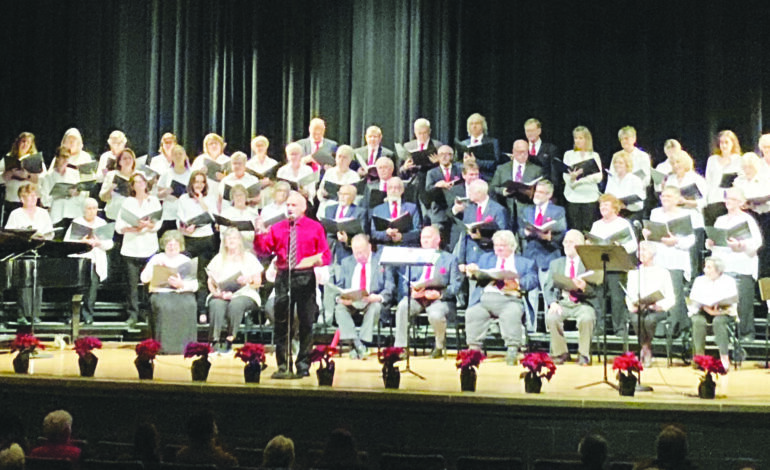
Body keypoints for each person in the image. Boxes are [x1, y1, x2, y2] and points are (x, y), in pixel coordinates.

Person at [254, 191, 331, 378]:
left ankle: (303, 365)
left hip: (305, 276)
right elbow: (264, 250)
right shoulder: (278, 227)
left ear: (303, 208)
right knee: (281, 323)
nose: (289, 208)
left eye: (294, 205)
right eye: (287, 205)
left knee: (306, 323)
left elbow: (326, 255)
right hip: (284, 276)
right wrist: (259, 234)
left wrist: (315, 261)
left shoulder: (315, 227)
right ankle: (283, 365)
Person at [465, 230, 538, 365]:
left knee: (512, 313)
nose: (498, 248)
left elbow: (533, 280)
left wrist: (517, 283)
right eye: (496, 245)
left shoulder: (525, 263)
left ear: (512, 246)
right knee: (473, 313)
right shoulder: (486, 259)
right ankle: (474, 349)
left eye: (502, 246)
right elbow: (478, 274)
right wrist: (472, 272)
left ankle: (512, 349)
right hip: (486, 298)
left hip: (510, 299)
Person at [393, 226, 461, 357]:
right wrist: (410, 291)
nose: (425, 241)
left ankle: (439, 346)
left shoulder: (450, 259)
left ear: (438, 239)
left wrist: (440, 294)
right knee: (402, 307)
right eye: (423, 238)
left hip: (438, 298)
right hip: (418, 296)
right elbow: (404, 281)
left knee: (435, 314)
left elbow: (456, 285)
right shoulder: (414, 257)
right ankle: (401, 347)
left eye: (428, 237)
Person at [706, 187, 762, 340]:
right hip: (724, 268)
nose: (728, 202)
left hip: (741, 267)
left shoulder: (747, 220)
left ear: (741, 202)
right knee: (725, 304)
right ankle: (726, 335)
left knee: (743, 304)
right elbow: (716, 243)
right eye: (727, 199)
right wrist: (711, 243)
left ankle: (746, 334)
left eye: (732, 199)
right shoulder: (720, 220)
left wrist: (741, 245)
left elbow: (757, 243)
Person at [645, 186, 696, 337]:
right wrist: (647, 234)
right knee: (661, 293)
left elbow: (690, 240)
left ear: (677, 199)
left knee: (674, 293)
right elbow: (652, 234)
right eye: (663, 196)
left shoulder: (685, 214)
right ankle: (662, 328)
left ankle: (674, 328)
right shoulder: (655, 213)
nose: (665, 199)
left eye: (669, 197)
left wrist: (676, 241)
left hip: (676, 258)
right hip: (659, 257)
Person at [517, 179, 567, 331]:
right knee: (530, 294)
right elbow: (519, 230)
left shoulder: (558, 211)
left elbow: (562, 231)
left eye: (540, 192)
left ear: (549, 194)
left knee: (548, 294)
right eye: (536, 192)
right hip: (530, 257)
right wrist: (525, 232)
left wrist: (549, 237)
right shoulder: (527, 210)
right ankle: (531, 328)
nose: (536, 195)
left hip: (548, 255)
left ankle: (549, 327)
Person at [332, 234, 393, 359]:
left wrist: (378, 297)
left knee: (375, 307)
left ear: (370, 247)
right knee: (339, 309)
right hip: (352, 301)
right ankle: (357, 343)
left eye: (362, 252)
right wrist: (341, 298)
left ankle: (361, 344)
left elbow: (390, 287)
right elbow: (339, 288)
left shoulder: (382, 262)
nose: (359, 256)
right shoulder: (346, 263)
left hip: (371, 300)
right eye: (356, 253)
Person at [115, 173, 162, 327]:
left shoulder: (153, 201)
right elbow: (118, 226)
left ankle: (148, 313)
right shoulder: (127, 202)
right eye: (136, 182)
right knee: (131, 285)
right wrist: (133, 227)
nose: (139, 184)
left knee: (150, 284)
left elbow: (158, 224)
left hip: (149, 248)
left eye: (142, 181)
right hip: (131, 248)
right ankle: (132, 314)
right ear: (132, 185)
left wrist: (148, 226)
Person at [140, 230, 198, 354]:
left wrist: (181, 284)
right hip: (161, 292)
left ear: (180, 246)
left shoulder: (185, 260)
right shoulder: (157, 258)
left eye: (175, 244)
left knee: (190, 304)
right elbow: (143, 278)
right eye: (169, 244)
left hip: (180, 291)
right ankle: (164, 347)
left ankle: (186, 347)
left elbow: (195, 284)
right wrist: (155, 269)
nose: (172, 247)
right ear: (164, 246)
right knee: (164, 306)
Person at [543, 230, 596, 366]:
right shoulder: (556, 264)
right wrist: (553, 303)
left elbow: (597, 290)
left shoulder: (588, 263)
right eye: (565, 242)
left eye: (570, 242)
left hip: (582, 303)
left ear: (579, 245)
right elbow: (548, 288)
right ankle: (561, 353)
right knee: (552, 317)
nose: (566, 245)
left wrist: (584, 287)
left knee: (587, 318)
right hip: (562, 301)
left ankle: (584, 354)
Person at [207, 227, 263, 353]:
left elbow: (258, 282)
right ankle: (214, 341)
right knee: (216, 304)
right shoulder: (218, 258)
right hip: (222, 293)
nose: (231, 241)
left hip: (245, 293)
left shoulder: (249, 258)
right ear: (224, 242)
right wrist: (217, 293)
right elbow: (210, 281)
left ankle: (230, 339)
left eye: (235, 238)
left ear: (240, 241)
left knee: (236, 304)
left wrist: (248, 280)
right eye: (229, 238)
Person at [588, 194, 637, 338]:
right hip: (600, 265)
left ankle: (619, 328)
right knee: (599, 297)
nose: (602, 208)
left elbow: (632, 245)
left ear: (615, 208)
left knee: (617, 297)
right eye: (601, 205)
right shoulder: (597, 225)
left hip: (617, 264)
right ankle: (600, 327)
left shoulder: (622, 224)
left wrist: (619, 246)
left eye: (606, 205)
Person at [5, 183, 54, 325]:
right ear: (22, 198)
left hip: (39, 252)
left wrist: (42, 237)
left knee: (38, 285)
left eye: (34, 196)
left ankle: (35, 314)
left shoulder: (43, 213)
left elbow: (50, 233)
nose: (32, 199)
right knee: (23, 285)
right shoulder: (16, 214)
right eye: (28, 196)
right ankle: (22, 314)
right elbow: (9, 234)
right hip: (22, 253)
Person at [625, 241, 676, 367]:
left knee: (649, 320)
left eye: (644, 250)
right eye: (639, 250)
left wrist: (660, 306)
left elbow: (671, 296)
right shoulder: (633, 273)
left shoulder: (663, 272)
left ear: (653, 253)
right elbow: (629, 294)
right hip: (640, 308)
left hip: (657, 309)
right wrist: (632, 305)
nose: (641, 253)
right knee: (636, 320)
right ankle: (646, 348)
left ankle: (646, 348)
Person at [64, 198, 114, 324]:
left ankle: (87, 314)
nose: (91, 211)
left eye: (94, 208)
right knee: (77, 289)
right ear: (84, 209)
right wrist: (81, 242)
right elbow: (67, 242)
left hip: (96, 261)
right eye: (89, 208)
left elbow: (109, 244)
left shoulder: (102, 223)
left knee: (92, 290)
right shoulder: (77, 222)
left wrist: (98, 243)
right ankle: (73, 315)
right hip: (79, 261)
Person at [178, 170, 218, 319]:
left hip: (206, 238)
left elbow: (213, 216)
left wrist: (202, 201)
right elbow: (180, 217)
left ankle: (202, 310)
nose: (199, 185)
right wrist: (185, 227)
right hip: (190, 238)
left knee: (203, 275)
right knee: (186, 273)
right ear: (191, 183)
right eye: (196, 182)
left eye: (202, 182)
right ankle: (186, 309)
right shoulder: (183, 198)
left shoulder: (210, 198)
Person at [688, 257, 738, 372]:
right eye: (705, 267)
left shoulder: (729, 281)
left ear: (718, 269)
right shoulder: (699, 281)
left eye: (709, 267)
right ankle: (699, 358)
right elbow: (694, 299)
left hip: (723, 312)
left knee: (719, 322)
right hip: (703, 310)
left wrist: (719, 310)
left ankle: (724, 357)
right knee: (698, 322)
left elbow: (733, 301)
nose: (705, 270)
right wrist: (707, 309)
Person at [456, 179, 509, 270]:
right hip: (470, 259)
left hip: (489, 257)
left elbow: (502, 237)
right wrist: (460, 261)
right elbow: (463, 236)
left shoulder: (498, 210)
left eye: (471, 191)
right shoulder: (469, 209)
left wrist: (481, 238)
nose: (468, 194)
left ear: (480, 193)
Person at [490, 139, 543, 229]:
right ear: (513, 152)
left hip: (526, 209)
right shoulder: (502, 169)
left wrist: (530, 192)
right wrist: (503, 191)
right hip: (507, 209)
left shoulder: (536, 170)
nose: (523, 155)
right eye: (519, 152)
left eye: (525, 152)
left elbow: (541, 191)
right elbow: (492, 188)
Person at [733, 152, 770, 278]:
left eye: (750, 166)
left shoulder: (765, 179)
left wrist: (753, 203)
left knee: (763, 251)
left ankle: (762, 284)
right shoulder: (738, 181)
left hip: (763, 218)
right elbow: (734, 197)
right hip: (744, 217)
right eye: (745, 167)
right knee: (746, 249)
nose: (747, 169)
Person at [562, 126, 602, 232]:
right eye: (576, 138)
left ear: (587, 139)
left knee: (588, 228)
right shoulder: (569, 155)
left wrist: (579, 179)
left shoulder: (594, 155)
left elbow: (598, 177)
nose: (578, 141)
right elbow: (566, 177)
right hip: (573, 197)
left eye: (581, 138)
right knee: (574, 229)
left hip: (590, 197)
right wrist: (574, 179)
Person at [2, 132, 43, 226]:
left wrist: (27, 175)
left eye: (28, 143)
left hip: (29, 201)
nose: (25, 144)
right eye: (23, 141)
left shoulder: (35, 159)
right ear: (18, 143)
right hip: (11, 200)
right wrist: (9, 173)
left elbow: (41, 178)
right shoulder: (10, 157)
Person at [704, 129, 742, 226]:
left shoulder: (739, 160)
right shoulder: (712, 160)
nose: (724, 145)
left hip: (731, 201)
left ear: (733, 144)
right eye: (721, 143)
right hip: (714, 199)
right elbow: (708, 181)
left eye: (726, 142)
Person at [370, 176, 422, 246]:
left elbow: (418, 231)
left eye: (396, 188)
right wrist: (386, 234)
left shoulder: (412, 208)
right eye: (390, 188)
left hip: (406, 246)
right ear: (387, 191)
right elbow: (373, 232)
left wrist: (402, 236)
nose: (393, 190)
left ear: (402, 190)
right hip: (384, 247)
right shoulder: (377, 210)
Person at [424, 145, 462, 239]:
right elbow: (427, 192)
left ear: (452, 156)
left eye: (447, 154)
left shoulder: (459, 170)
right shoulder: (432, 173)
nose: (444, 157)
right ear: (437, 156)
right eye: (441, 154)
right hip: (439, 211)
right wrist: (437, 186)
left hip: (457, 210)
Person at [322, 183, 366, 263]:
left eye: (346, 194)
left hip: (347, 252)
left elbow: (362, 234)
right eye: (340, 193)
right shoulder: (329, 209)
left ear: (353, 197)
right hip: (329, 250)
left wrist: (347, 240)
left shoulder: (359, 212)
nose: (342, 197)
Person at [156, 144, 192, 235]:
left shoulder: (191, 174)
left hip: (186, 213)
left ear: (185, 156)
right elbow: (158, 194)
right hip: (169, 213)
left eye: (180, 153)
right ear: (171, 157)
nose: (178, 156)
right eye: (175, 154)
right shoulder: (166, 174)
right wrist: (166, 192)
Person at [46, 145, 87, 225]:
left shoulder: (74, 173)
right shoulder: (48, 176)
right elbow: (44, 200)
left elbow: (83, 194)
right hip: (57, 214)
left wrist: (78, 193)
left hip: (73, 212)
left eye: (67, 157)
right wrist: (60, 194)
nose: (65, 160)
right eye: (63, 157)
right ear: (57, 158)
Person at [524, 118, 560, 201]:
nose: (530, 133)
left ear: (539, 131)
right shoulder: (522, 148)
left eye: (532, 130)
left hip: (544, 192)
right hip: (525, 193)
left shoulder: (550, 149)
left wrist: (552, 194)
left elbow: (554, 174)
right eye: (527, 131)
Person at [318, 145, 361, 213]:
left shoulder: (354, 176)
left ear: (350, 160)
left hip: (345, 210)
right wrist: (322, 193)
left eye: (344, 157)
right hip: (327, 207)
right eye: (339, 156)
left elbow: (356, 198)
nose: (341, 160)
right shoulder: (329, 172)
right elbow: (320, 190)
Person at [605, 150, 646, 222]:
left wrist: (625, 206)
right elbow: (607, 197)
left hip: (630, 215)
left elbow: (639, 204)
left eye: (620, 163)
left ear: (627, 165)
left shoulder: (635, 180)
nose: (617, 165)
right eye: (615, 162)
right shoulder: (612, 179)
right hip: (614, 214)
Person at [460, 113, 502, 181]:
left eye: (477, 123)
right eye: (471, 124)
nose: (474, 126)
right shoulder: (463, 143)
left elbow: (495, 164)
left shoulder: (492, 142)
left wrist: (476, 161)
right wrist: (465, 163)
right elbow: (456, 163)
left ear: (483, 126)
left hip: (486, 178)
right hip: (466, 179)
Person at [99, 147, 136, 221]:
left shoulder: (138, 176)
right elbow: (103, 197)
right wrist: (111, 188)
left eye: (130, 158)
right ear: (119, 161)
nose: (128, 160)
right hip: (113, 215)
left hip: (130, 216)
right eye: (125, 158)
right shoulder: (111, 175)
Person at [219, 184, 259, 253]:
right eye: (236, 196)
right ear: (232, 198)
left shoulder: (253, 214)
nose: (239, 198)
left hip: (248, 251)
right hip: (229, 251)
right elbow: (223, 234)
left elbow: (257, 234)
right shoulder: (225, 214)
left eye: (241, 195)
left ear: (246, 197)